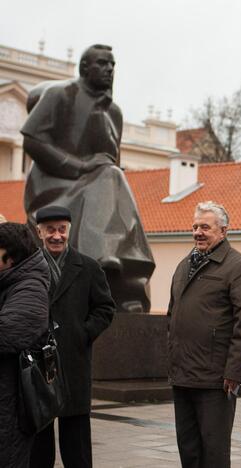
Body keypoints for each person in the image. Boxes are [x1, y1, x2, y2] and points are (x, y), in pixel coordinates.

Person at [21, 44, 154, 313]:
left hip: (96, 185)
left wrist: (98, 169)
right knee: (109, 176)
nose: (109, 69)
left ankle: (121, 271)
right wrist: (79, 166)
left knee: (112, 177)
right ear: (84, 68)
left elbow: (111, 159)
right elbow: (32, 140)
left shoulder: (113, 112)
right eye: (103, 64)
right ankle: (102, 258)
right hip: (54, 185)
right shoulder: (61, 95)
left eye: (113, 65)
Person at [167, 201, 241, 468]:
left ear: (223, 231)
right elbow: (173, 315)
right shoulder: (185, 265)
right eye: (195, 226)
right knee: (188, 448)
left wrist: (235, 373)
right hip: (183, 375)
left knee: (214, 452)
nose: (198, 232)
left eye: (205, 227)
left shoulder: (238, 267)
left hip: (216, 380)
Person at [29, 206, 115, 468]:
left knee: (76, 443)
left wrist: (83, 333)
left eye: (62, 229)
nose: (57, 236)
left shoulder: (88, 267)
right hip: (37, 364)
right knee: (38, 442)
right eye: (50, 230)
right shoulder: (29, 267)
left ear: (69, 230)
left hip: (74, 361)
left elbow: (105, 308)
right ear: (39, 232)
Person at [0, 222, 50, 467]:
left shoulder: (31, 287)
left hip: (10, 408)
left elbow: (8, 333)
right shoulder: (9, 281)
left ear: (10, 257)